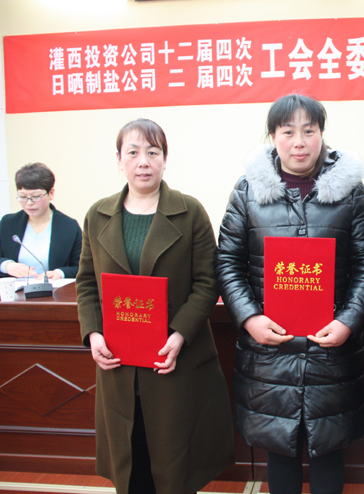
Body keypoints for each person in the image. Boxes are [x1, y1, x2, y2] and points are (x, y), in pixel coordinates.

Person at [215, 94, 364, 494]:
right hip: (269, 351)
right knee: (280, 449)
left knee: (329, 448)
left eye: (309, 130)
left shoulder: (351, 192)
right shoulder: (247, 191)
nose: (300, 142)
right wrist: (250, 318)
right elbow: (227, 262)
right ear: (273, 136)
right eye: (288, 132)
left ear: (322, 134)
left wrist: (348, 322)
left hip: (332, 349)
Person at [76, 118, 234, 494]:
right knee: (132, 465)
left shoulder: (189, 211)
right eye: (133, 152)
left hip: (175, 362)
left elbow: (207, 282)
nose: (143, 161)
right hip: (119, 363)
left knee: (175, 468)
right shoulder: (98, 214)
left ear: (165, 159)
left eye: (152, 152)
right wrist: (93, 333)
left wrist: (178, 335)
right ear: (119, 160)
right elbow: (87, 282)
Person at [0, 162, 82, 280]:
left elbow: (82, 267)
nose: (29, 203)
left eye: (36, 196)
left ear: (51, 193)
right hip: (16, 290)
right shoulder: (8, 223)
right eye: (22, 197)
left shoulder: (69, 226)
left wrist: (60, 273)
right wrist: (7, 266)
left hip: (53, 290)